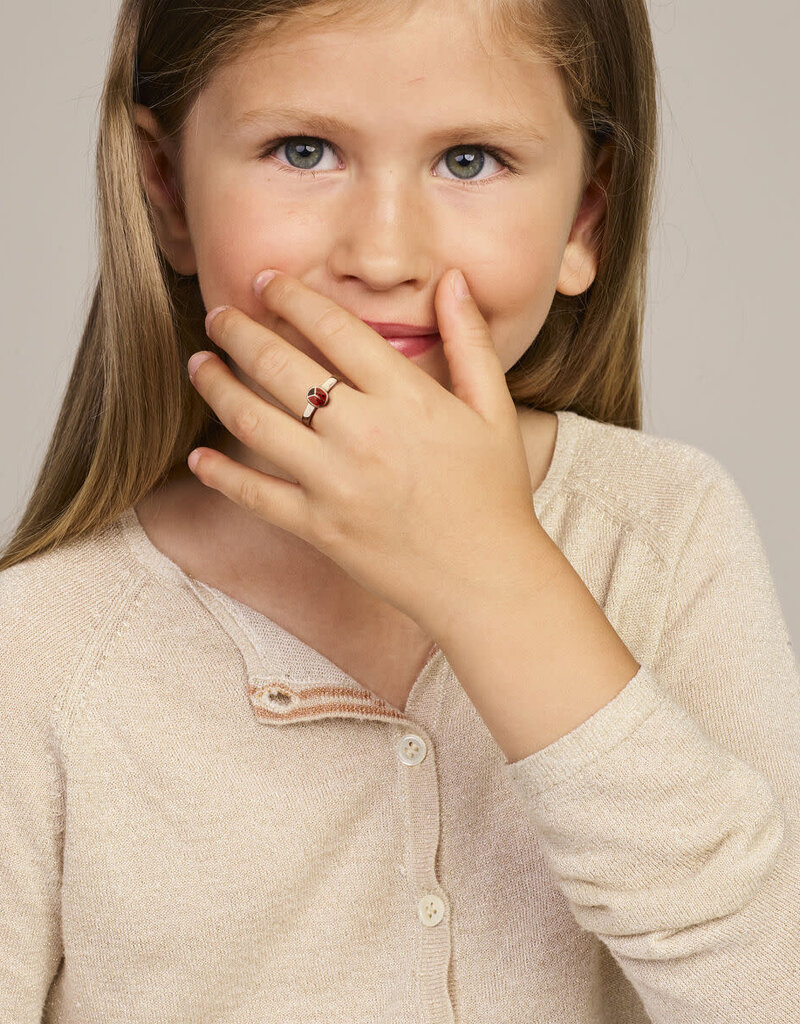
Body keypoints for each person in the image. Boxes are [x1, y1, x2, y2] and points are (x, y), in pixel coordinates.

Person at [1, 0, 798, 1020]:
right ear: (165, 192)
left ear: (585, 216)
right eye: (302, 150)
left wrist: (493, 579)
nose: (382, 255)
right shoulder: (43, 646)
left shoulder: (663, 532)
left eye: (468, 161)